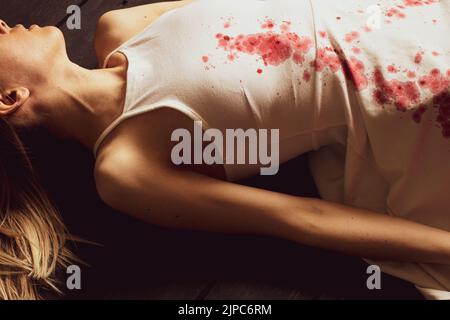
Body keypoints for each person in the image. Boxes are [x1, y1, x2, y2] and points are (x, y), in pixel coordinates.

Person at [1, 0, 449, 300]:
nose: (3, 23)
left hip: (404, 16)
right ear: (9, 98)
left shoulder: (117, 28)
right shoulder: (124, 169)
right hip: (411, 94)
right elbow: (300, 218)